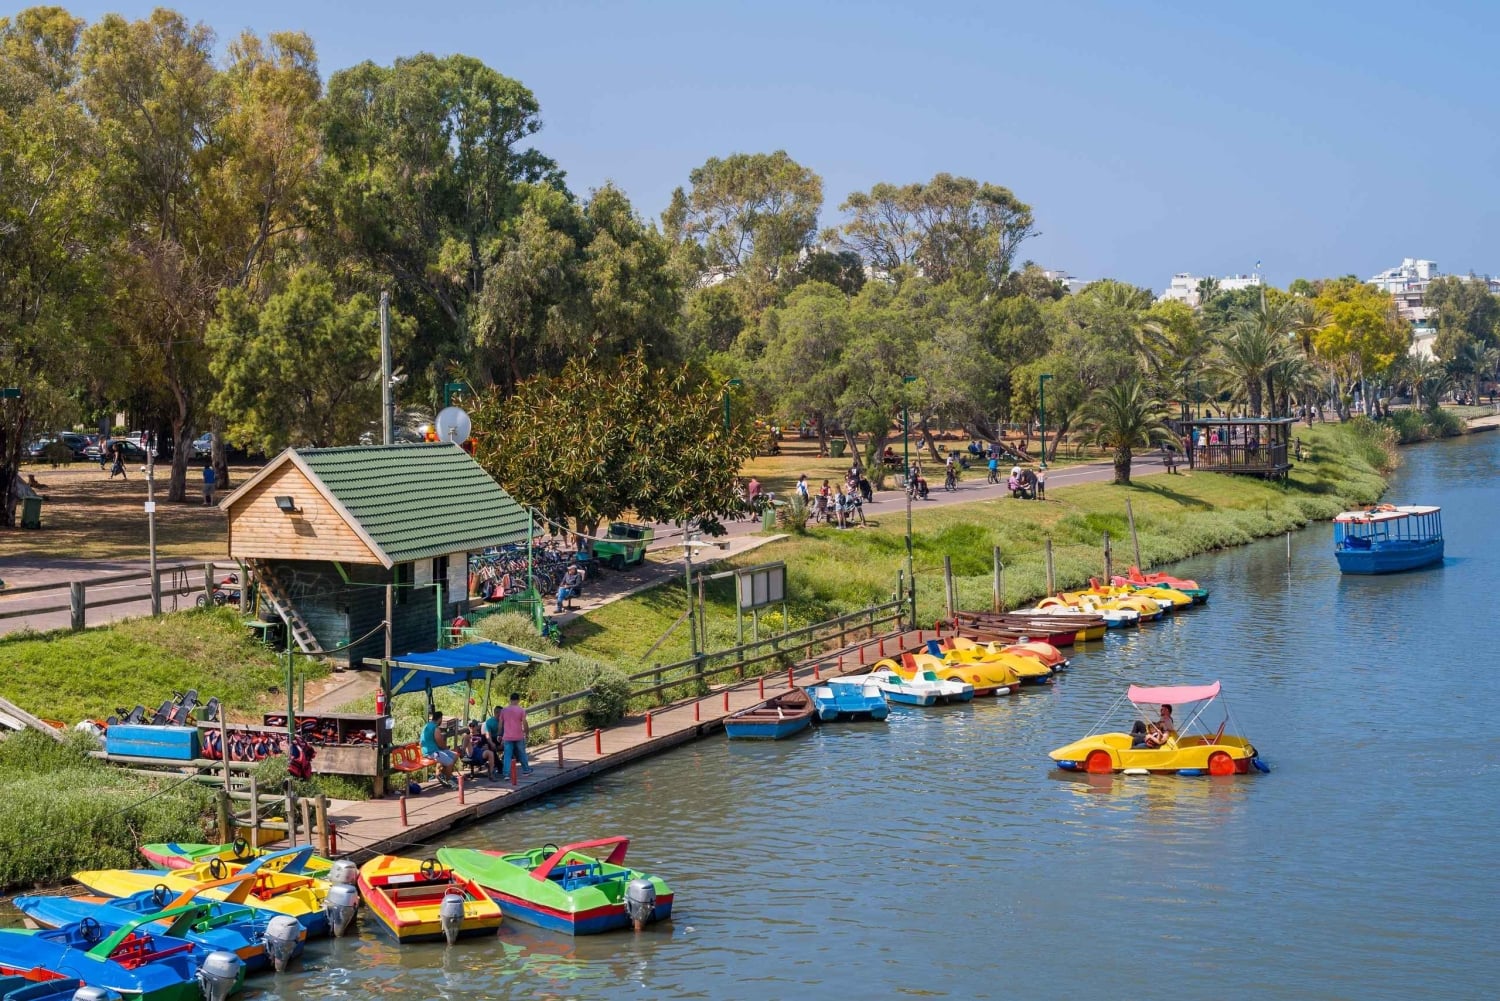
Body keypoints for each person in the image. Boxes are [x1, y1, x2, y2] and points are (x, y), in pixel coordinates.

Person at [420, 710, 457, 788]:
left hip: (434, 750)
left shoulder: (426, 726)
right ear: (440, 719)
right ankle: (448, 781)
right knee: (450, 762)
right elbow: (440, 743)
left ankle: (442, 773)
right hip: (432, 752)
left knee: (455, 756)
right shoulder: (435, 728)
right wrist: (446, 748)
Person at [499, 693, 532, 777]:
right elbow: (525, 723)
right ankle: (526, 770)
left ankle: (506, 773)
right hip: (519, 735)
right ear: (518, 700)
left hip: (507, 736)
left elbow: (500, 724)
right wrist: (527, 733)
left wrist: (499, 734)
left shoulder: (503, 710)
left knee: (507, 755)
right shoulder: (521, 710)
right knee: (522, 753)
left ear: (510, 700)